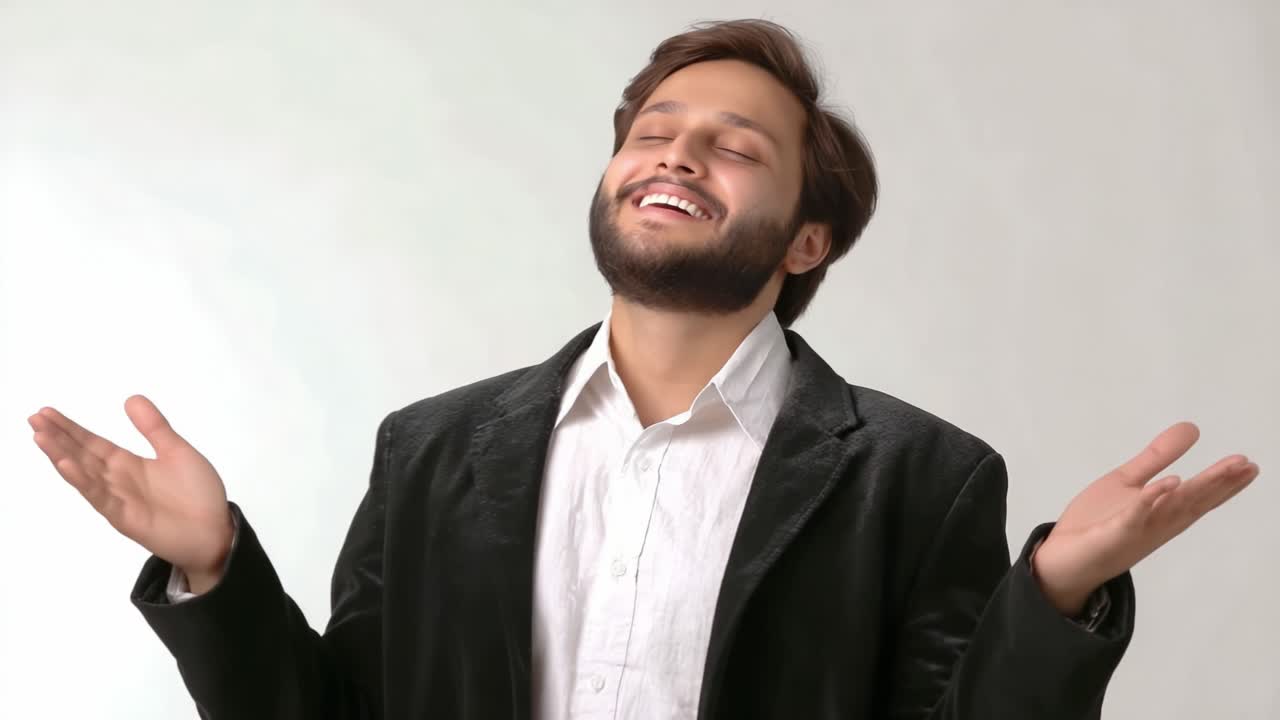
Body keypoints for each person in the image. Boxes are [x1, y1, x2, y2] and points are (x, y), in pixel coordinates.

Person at [28, 18, 1259, 720]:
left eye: (735, 149)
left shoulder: (918, 476)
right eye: (654, 134)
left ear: (806, 237)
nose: (676, 156)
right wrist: (214, 573)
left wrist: (1046, 602)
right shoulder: (434, 451)